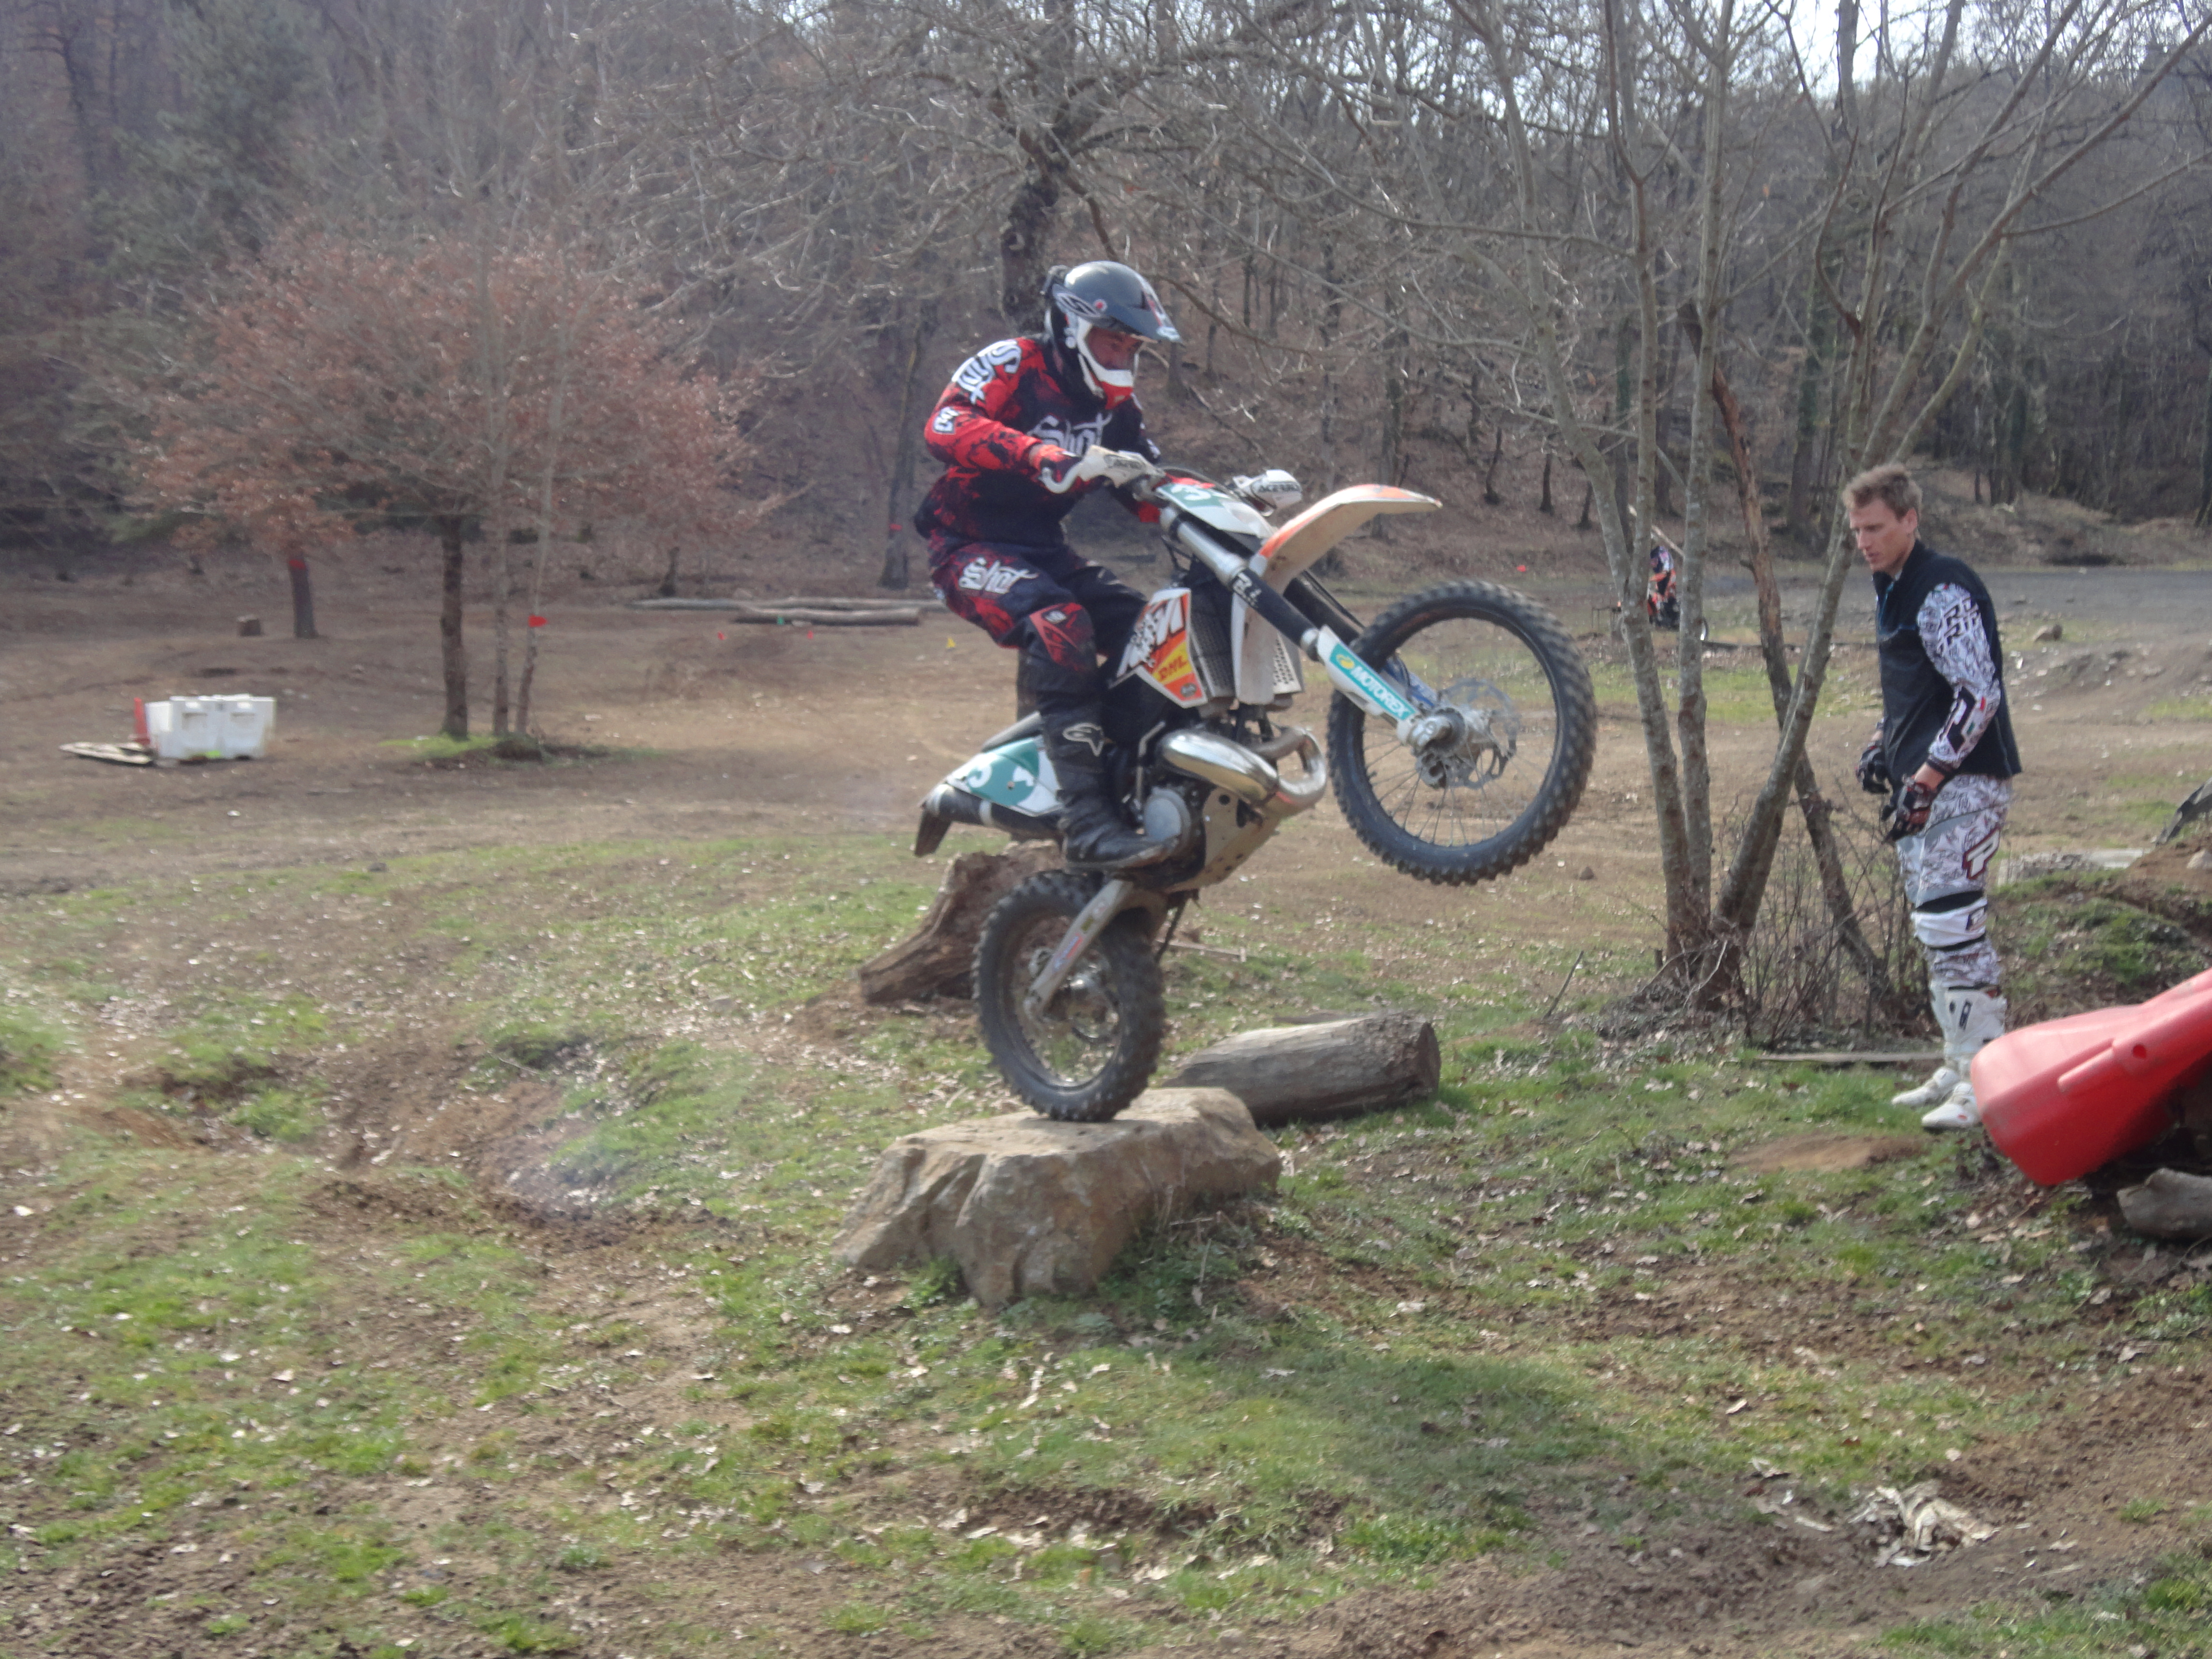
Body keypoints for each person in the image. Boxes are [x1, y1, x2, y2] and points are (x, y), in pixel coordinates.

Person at [914, 260, 1181, 869]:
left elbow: (1146, 489)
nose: (1120, 355)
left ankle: (1123, 783)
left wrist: (1225, 499)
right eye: (1112, 340)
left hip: (1043, 550)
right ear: (1071, 329)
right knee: (1062, 624)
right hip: (967, 547)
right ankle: (1085, 822)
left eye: (1130, 345)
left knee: (1160, 633)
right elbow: (945, 424)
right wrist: (1039, 454)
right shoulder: (1014, 363)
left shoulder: (1117, 407)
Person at [1847, 463, 2022, 1131]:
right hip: (1921, 783)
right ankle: (1959, 1062)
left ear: (1910, 519)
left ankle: (1987, 1080)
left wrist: (1928, 775)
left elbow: (1979, 693)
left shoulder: (1941, 588)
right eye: (1857, 530)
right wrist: (1881, 748)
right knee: (1934, 929)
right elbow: (1919, 692)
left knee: (1955, 923)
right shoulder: (1890, 587)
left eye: (1876, 528)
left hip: (1965, 783)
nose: (1864, 541)